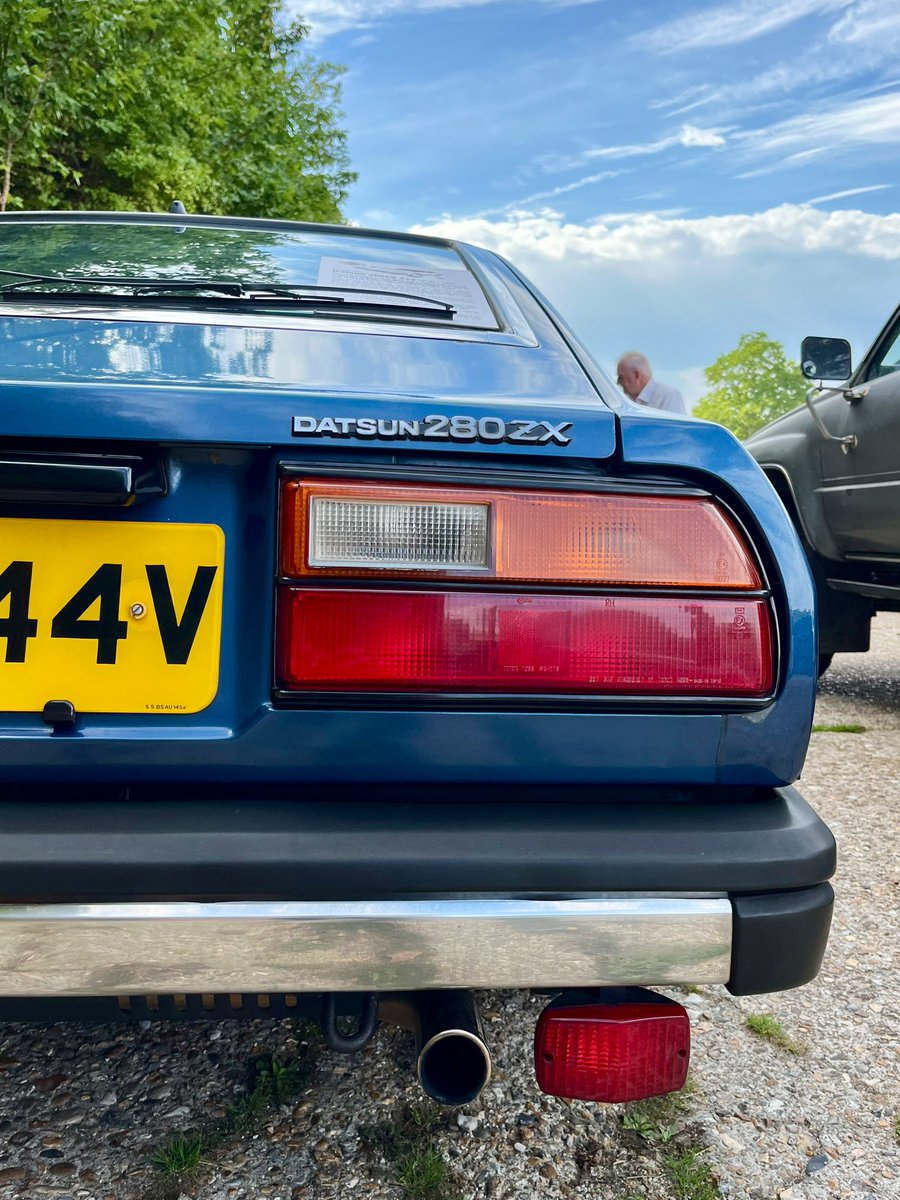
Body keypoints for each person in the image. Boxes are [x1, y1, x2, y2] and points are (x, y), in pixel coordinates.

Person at [616, 351, 686, 414]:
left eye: (621, 377)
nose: (618, 382)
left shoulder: (668, 395)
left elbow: (672, 428)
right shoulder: (627, 402)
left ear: (636, 375)